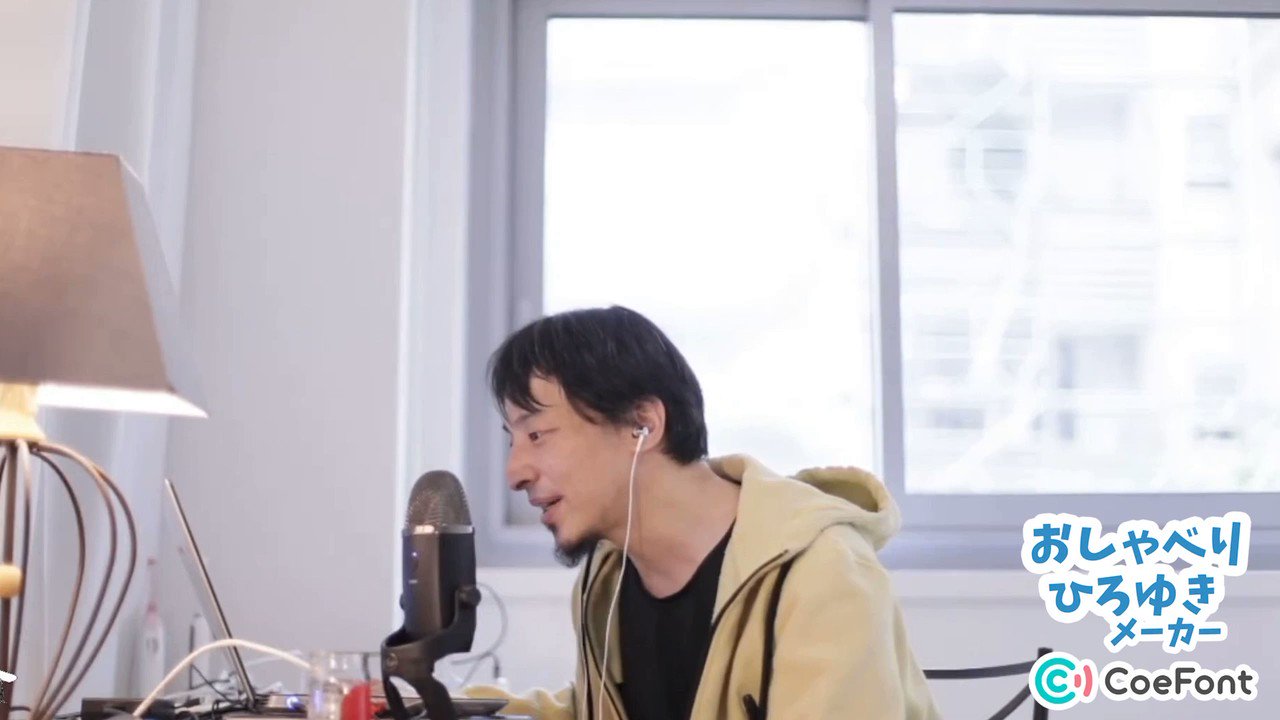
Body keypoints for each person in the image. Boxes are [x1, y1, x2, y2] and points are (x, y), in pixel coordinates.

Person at [466, 306, 940, 720]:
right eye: (512, 441)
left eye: (537, 435)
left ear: (642, 425)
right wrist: (448, 708)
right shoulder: (607, 579)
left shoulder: (823, 574)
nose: (515, 473)